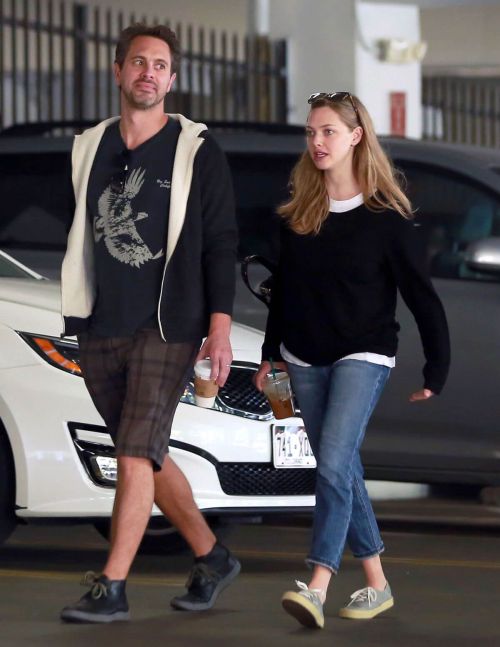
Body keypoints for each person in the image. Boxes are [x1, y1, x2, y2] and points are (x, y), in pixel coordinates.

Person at [59, 23, 240, 623]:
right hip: (100, 324)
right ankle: (212, 556)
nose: (148, 73)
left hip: (169, 324)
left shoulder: (196, 149)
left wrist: (218, 326)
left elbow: (220, 242)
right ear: (119, 72)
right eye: (138, 62)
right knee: (146, 452)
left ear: (172, 78)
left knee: (135, 454)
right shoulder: (90, 146)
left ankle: (111, 585)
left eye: (160, 65)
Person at [254, 91, 450, 629]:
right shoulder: (299, 214)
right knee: (341, 469)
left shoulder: (387, 218)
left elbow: (421, 296)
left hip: (364, 351)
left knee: (335, 462)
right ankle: (377, 583)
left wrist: (438, 368)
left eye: (329, 132)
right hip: (304, 354)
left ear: (355, 136)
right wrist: (272, 357)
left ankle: (317, 583)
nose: (317, 142)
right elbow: (285, 292)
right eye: (311, 133)